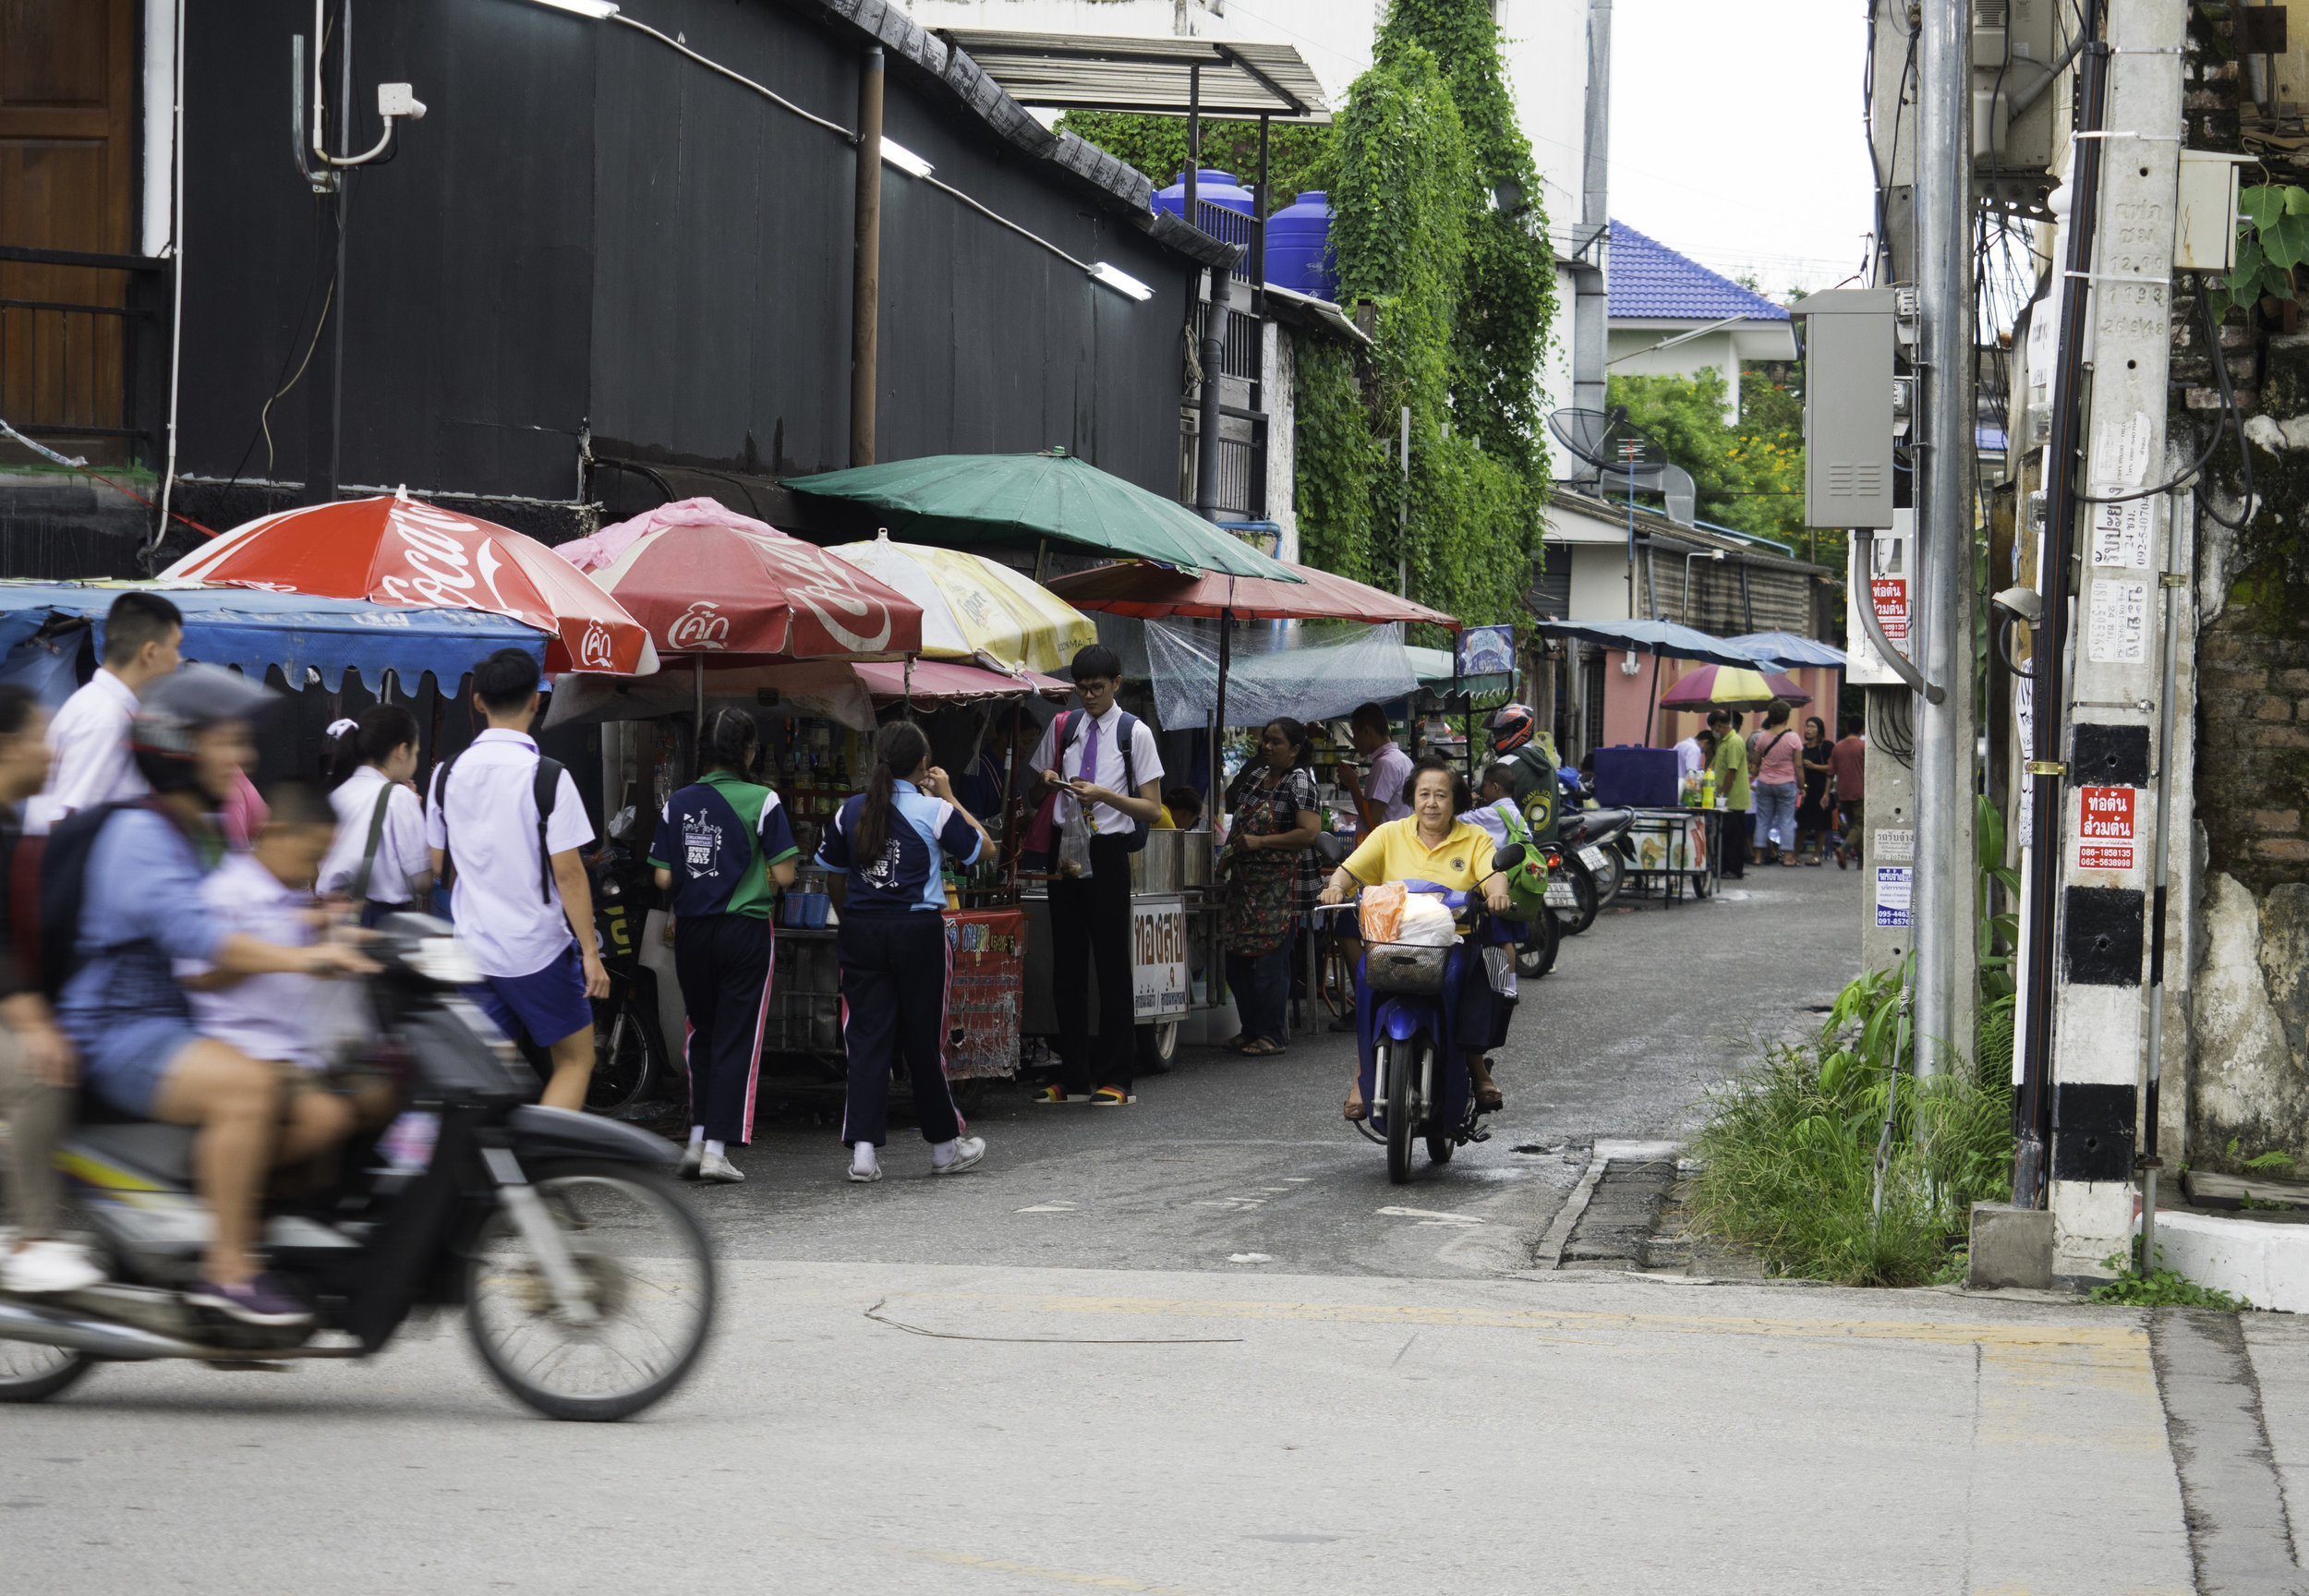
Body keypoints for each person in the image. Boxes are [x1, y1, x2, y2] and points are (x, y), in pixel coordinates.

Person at [57, 666, 374, 1325]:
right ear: (179, 747)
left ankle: (226, 1220)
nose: (243, 757)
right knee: (248, 1087)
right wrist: (305, 956)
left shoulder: (197, 830)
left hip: (174, 1021)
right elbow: (203, 938)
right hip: (120, 1030)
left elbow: (247, 904)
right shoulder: (141, 834)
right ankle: (226, 1275)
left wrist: (318, 926)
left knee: (322, 1112)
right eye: (226, 742)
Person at [426, 649, 607, 1112]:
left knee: (488, 1069)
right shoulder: (550, 777)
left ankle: (481, 1153)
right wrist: (591, 953)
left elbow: (437, 864)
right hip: (537, 948)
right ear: (536, 700)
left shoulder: (444, 775)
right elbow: (569, 874)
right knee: (575, 1060)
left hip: (473, 946)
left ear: (478, 700)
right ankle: (544, 1154)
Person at [817, 719, 993, 1182]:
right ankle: (943, 1149)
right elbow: (985, 849)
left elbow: (833, 877)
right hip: (918, 931)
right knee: (923, 1041)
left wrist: (853, 918)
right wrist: (950, 796)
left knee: (865, 1040)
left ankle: (863, 1154)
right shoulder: (934, 811)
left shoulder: (849, 810)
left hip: (862, 930)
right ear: (922, 764)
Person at [176, 780, 396, 1148]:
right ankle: (219, 1168)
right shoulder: (226, 892)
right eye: (311, 856)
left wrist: (361, 943)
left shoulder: (289, 895)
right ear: (275, 834)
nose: (316, 868)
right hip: (247, 1046)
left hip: (299, 1044)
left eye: (322, 858)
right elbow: (197, 976)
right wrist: (275, 956)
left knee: (380, 1095)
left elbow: (307, 945)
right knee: (327, 1118)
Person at [648, 708, 800, 1185]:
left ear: (703, 752)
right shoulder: (764, 800)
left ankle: (696, 1140)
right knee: (737, 1037)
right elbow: (785, 874)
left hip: (692, 932)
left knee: (702, 1033)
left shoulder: (678, 802)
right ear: (749, 753)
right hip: (744, 931)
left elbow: (662, 877)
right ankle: (716, 1148)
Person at [1318, 756, 1516, 1117]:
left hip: (1452, 941)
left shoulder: (1474, 838)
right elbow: (1350, 870)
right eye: (1424, 794)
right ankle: (1362, 1073)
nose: (1432, 803)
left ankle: (1477, 1069)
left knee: (1473, 986)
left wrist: (1497, 894)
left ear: (1455, 801)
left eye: (1441, 795)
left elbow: (1493, 874)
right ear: (1412, 798)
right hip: (1391, 940)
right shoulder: (1389, 834)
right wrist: (1335, 887)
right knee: (1366, 990)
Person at [1027, 645, 1164, 1107]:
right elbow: (1035, 794)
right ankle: (1073, 1075)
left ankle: (1117, 1075)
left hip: (1106, 852)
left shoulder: (1134, 732)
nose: (1089, 696)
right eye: (1082, 688)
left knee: (1111, 965)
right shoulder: (1064, 726)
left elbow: (1153, 808)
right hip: (1064, 850)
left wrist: (1105, 795)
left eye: (1097, 688)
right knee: (1066, 965)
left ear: (1116, 683)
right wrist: (1046, 783)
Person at [0, 686, 103, 1295]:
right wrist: (35, 1023)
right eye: (41, 738)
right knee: (41, 1072)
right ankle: (33, 1241)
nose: (53, 753)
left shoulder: (14, 823)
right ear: (6, 747)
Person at [27, 590, 182, 835]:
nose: (179, 660)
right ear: (150, 652)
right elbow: (71, 823)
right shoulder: (105, 718)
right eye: (176, 648)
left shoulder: (107, 708)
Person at [1218, 718, 1322, 1058]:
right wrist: (1222, 867)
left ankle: (1272, 1034)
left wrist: (1261, 842)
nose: (1266, 746)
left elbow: (1309, 833)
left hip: (1281, 890)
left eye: (1276, 742)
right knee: (1236, 963)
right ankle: (1250, 1029)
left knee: (1269, 967)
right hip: (1245, 888)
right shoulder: (1256, 778)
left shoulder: (1300, 782)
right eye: (1265, 739)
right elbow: (1239, 828)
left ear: (1294, 749)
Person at [317, 706, 432, 925]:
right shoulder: (399, 797)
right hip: (382, 920)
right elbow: (421, 879)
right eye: (416, 752)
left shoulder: (337, 794)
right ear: (401, 751)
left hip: (334, 916)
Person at [1338, 702, 1412, 834]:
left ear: (1367, 730)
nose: (1354, 740)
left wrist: (1352, 784)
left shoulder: (1385, 764)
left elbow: (1372, 819)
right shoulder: (1403, 760)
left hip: (1386, 844)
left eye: (1355, 733)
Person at [1749, 701, 1803, 867]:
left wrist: (1756, 771)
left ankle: (1758, 857)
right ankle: (1788, 857)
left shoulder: (1762, 737)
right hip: (1786, 783)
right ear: (1787, 717)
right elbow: (1798, 766)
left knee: (1762, 819)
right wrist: (1801, 786)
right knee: (1786, 820)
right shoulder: (1793, 738)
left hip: (1765, 783)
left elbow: (1755, 763)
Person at [1706, 708, 1750, 878]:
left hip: (1734, 798)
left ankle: (1734, 869)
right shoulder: (1723, 742)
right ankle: (1722, 868)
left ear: (1719, 726)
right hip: (1724, 799)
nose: (1713, 732)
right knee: (1723, 836)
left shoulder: (1734, 742)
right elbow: (1714, 766)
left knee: (1734, 837)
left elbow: (1732, 770)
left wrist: (1722, 792)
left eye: (1713, 729)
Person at [1795, 716, 1835, 866]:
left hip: (1821, 788)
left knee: (1821, 824)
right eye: (1807, 726)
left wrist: (1814, 766)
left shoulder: (1826, 746)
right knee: (1801, 822)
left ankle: (1817, 855)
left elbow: (1832, 767)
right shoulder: (1802, 748)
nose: (1808, 729)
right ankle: (1795, 853)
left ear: (1819, 730)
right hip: (1805, 790)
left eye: (1812, 726)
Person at [1830, 715, 1868, 868]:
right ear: (1862, 728)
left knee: (1853, 826)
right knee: (1859, 826)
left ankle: (1862, 860)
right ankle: (1843, 849)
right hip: (1860, 790)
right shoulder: (1863, 746)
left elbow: (1831, 771)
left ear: (1847, 727)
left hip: (1843, 791)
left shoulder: (1838, 746)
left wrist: (1826, 793)